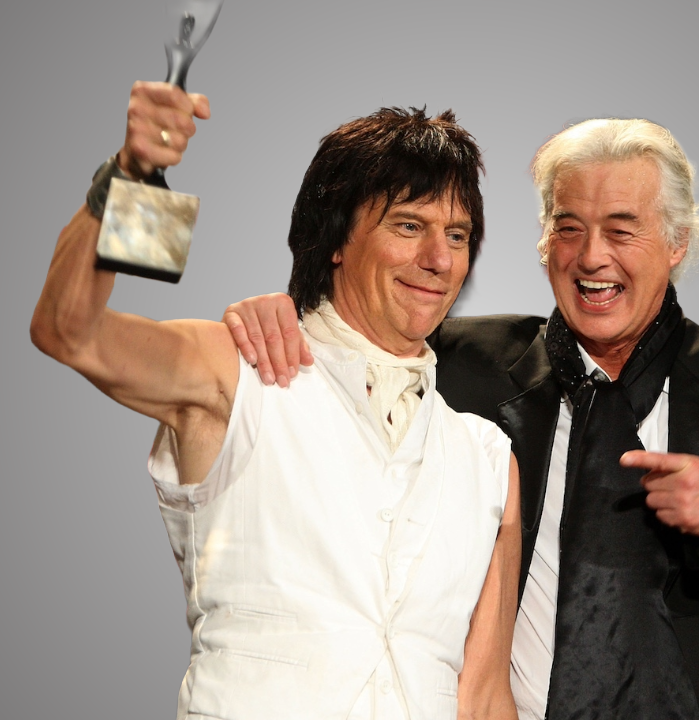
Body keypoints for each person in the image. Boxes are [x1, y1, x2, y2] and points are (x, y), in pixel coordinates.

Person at [223, 118, 699, 720]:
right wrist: (282, 310)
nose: (591, 258)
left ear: (677, 242)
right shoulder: (456, 361)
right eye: (568, 228)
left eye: (621, 229)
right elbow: (361, 320)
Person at [30, 81, 521, 720]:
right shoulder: (238, 371)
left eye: (457, 236)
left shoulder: (487, 460)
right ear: (337, 240)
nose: (438, 259)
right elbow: (69, 331)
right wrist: (134, 174)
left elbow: (482, 700)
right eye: (409, 226)